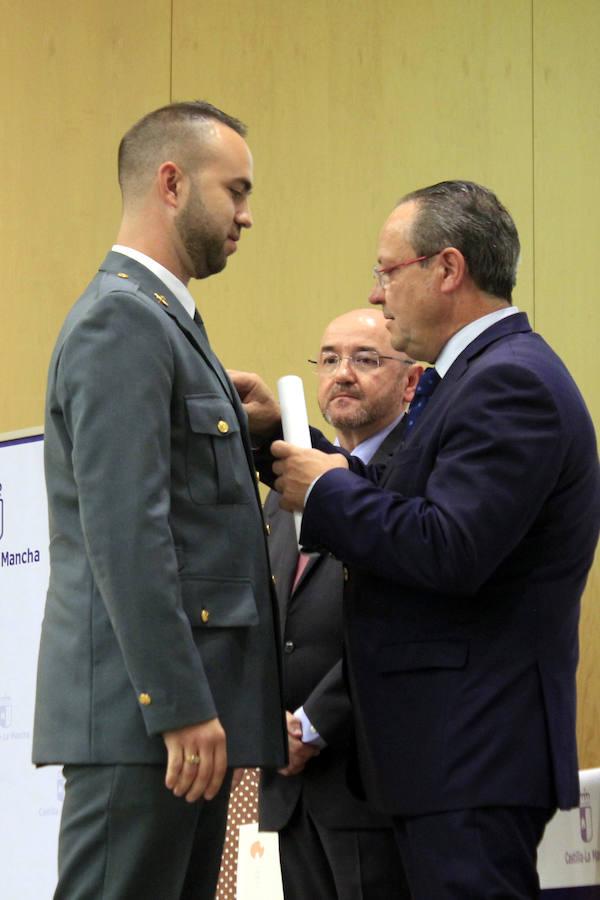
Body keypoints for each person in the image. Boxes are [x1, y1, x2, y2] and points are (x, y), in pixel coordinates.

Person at [232, 180, 600, 900]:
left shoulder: (508, 383)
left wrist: (327, 488)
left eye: (386, 272)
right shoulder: (477, 378)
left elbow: (448, 545)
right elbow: (393, 492)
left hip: (470, 753)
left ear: (448, 269)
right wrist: (279, 441)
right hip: (447, 756)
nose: (377, 295)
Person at [32, 101, 286, 900]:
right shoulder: (123, 321)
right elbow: (125, 533)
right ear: (171, 183)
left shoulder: (165, 321)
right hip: (153, 725)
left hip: (176, 726)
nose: (247, 216)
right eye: (235, 191)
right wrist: (176, 704)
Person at [260, 308, 419, 899]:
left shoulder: (411, 478)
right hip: (289, 792)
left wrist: (313, 724)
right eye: (329, 359)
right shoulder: (284, 491)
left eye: (365, 358)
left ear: (411, 382)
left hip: (369, 780)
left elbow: (400, 619)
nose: (342, 373)